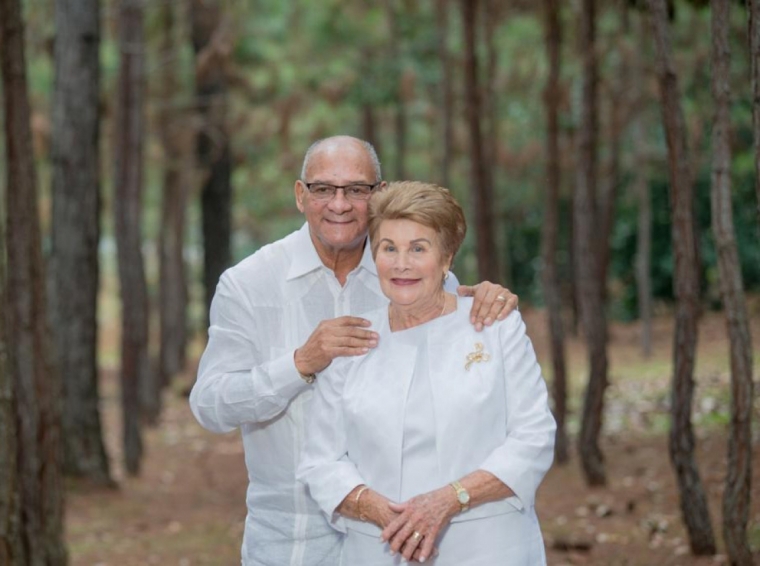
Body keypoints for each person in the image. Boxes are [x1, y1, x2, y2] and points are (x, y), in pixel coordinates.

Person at [189, 136, 518, 566]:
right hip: (290, 541)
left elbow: (469, 380)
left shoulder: (410, 276)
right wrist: (301, 363)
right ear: (300, 195)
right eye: (323, 189)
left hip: (397, 538)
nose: (339, 204)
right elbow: (210, 405)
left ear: (379, 195)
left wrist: (487, 302)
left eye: (357, 190)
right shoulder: (249, 284)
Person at [298, 181, 555, 565]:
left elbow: (533, 438)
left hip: (489, 547)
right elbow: (320, 461)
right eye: (389, 248)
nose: (402, 263)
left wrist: (447, 500)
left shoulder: (495, 326)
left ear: (447, 257)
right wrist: (382, 512)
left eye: (418, 248)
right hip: (382, 547)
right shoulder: (352, 340)